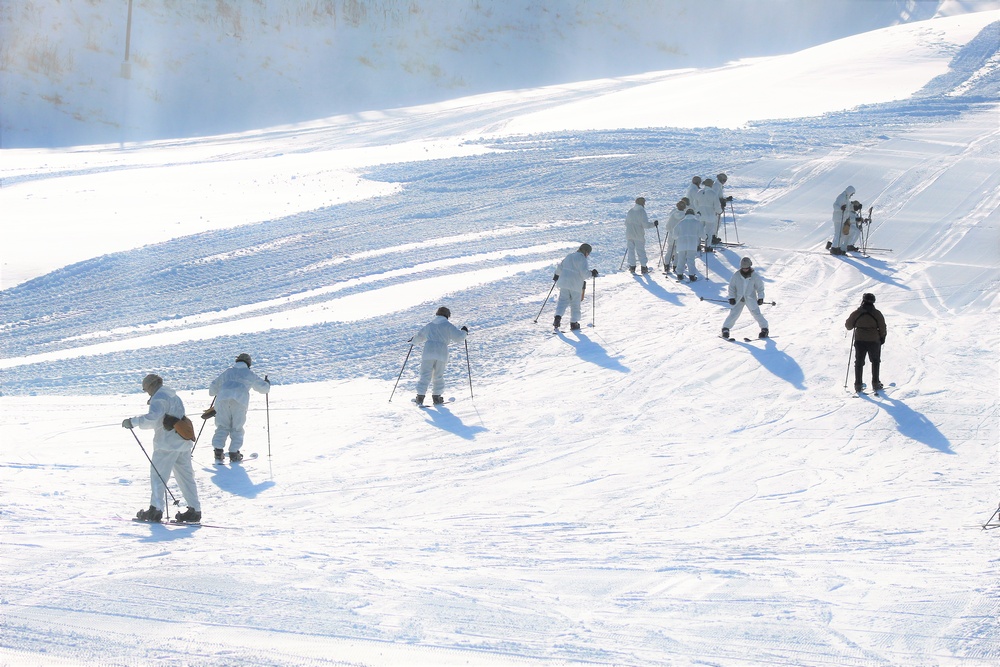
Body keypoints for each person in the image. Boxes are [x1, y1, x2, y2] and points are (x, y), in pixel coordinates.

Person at [122, 374, 202, 523]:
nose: (147, 393)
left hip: (167, 444)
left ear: (152, 385)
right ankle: (194, 510)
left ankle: (155, 510)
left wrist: (133, 422)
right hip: (182, 442)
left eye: (146, 389)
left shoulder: (159, 398)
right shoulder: (173, 396)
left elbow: (153, 419)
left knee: (158, 476)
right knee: (186, 477)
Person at [208, 353, 271, 463]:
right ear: (248, 363)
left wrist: (219, 390)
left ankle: (218, 451)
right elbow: (264, 389)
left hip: (222, 400)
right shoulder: (249, 373)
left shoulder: (228, 372)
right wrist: (267, 383)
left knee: (222, 426)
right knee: (237, 427)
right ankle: (234, 452)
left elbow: (212, 389)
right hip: (239, 401)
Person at [412, 306, 469, 406]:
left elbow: (419, 337)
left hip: (428, 351)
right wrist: (464, 332)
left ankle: (420, 397)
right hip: (442, 352)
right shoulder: (448, 326)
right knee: (438, 375)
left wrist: (413, 340)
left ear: (437, 314)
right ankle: (437, 397)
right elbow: (459, 338)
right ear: (447, 315)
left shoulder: (430, 325)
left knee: (425, 374)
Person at [845, 292, 886, 393]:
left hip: (860, 340)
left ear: (863, 300)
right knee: (875, 362)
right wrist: (882, 338)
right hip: (874, 340)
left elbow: (848, 326)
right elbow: (882, 327)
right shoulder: (877, 313)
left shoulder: (857, 313)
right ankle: (876, 383)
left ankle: (858, 385)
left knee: (859, 362)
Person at [553, 243, 598, 330]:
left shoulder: (569, 256)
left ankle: (557, 318)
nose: (588, 255)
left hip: (564, 283)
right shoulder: (582, 259)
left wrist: (556, 275)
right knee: (575, 304)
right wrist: (592, 273)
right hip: (575, 285)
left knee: (562, 302)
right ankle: (574, 323)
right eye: (588, 253)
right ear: (585, 251)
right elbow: (584, 274)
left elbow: (560, 267)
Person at [721, 257, 769, 339]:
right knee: (734, 314)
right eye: (743, 268)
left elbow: (760, 288)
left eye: (747, 268)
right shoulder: (736, 275)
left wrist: (760, 298)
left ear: (750, 266)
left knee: (756, 313)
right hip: (738, 298)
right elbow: (731, 287)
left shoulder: (755, 276)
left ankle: (764, 328)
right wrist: (731, 297)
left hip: (750, 298)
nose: (745, 270)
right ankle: (725, 329)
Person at [624, 196, 657, 274]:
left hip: (629, 234)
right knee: (640, 251)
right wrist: (653, 224)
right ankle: (643, 267)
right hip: (638, 234)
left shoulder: (630, 211)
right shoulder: (642, 211)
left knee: (631, 251)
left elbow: (626, 223)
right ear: (642, 203)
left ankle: (632, 267)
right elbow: (645, 225)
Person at [672, 209, 702, 281]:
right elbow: (701, 233)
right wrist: (706, 237)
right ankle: (692, 275)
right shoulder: (697, 222)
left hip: (681, 244)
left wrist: (677, 237)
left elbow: (674, 235)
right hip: (692, 244)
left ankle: (679, 274)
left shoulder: (681, 223)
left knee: (681, 259)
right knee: (690, 260)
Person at [694, 178, 722, 252]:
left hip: (700, 215)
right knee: (709, 231)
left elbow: (695, 203)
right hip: (710, 215)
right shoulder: (713, 193)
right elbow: (717, 205)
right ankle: (707, 246)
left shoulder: (699, 192)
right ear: (711, 185)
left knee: (699, 230)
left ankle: (697, 245)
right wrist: (719, 211)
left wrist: (698, 210)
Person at [663, 200, 688, 272]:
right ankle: (675, 266)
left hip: (672, 236)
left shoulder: (673, 215)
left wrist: (670, 230)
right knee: (679, 252)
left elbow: (667, 226)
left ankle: (666, 265)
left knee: (669, 250)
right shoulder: (685, 216)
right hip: (681, 237)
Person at [830, 185, 856, 255]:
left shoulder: (846, 198)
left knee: (841, 234)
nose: (852, 195)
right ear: (850, 192)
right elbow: (835, 205)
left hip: (843, 219)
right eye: (852, 194)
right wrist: (840, 208)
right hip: (838, 218)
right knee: (838, 234)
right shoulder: (841, 197)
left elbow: (849, 207)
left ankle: (838, 247)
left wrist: (855, 207)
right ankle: (834, 248)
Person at [711, 173, 734, 244]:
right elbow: (715, 197)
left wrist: (725, 199)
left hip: (717, 206)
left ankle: (714, 236)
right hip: (715, 207)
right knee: (716, 222)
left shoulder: (718, 185)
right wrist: (723, 201)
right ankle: (712, 237)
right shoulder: (716, 186)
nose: (724, 182)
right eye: (724, 180)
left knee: (717, 222)